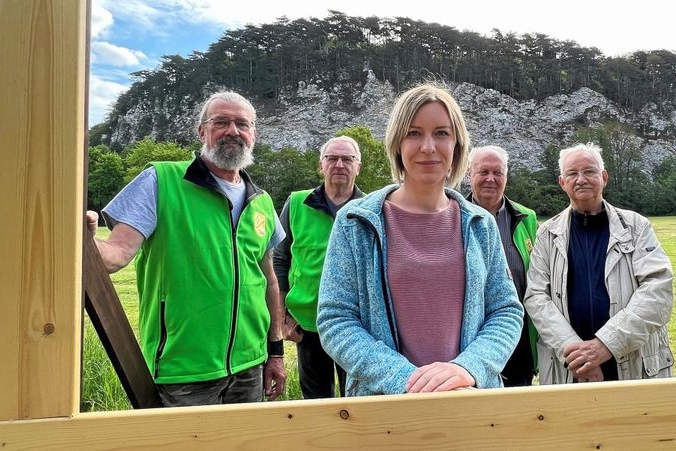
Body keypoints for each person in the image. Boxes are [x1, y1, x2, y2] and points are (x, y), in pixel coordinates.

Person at [317, 84, 522, 396]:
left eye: (441, 133)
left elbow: (506, 311)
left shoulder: (482, 225)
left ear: (457, 145)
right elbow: (336, 320)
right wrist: (408, 382)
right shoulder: (354, 221)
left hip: (469, 404)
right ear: (397, 143)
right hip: (384, 410)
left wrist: (467, 368)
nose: (428, 146)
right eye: (414, 133)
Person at [86, 91, 287, 406]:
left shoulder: (261, 202)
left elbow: (269, 281)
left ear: (253, 135)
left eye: (242, 124)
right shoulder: (161, 180)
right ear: (201, 131)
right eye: (221, 122)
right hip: (185, 370)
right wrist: (82, 243)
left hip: (251, 364)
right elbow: (116, 255)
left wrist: (275, 353)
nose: (233, 131)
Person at [524, 142, 674, 385]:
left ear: (604, 177)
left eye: (590, 171)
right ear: (562, 182)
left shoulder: (636, 227)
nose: (581, 179)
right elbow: (536, 297)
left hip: (632, 363)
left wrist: (606, 345)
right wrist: (576, 354)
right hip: (571, 370)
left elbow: (659, 289)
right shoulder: (547, 234)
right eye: (572, 173)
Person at [273, 135, 365, 399]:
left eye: (347, 159)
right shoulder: (296, 204)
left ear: (357, 166)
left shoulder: (371, 208)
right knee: (316, 402)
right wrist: (282, 319)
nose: (339, 164)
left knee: (358, 399)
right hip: (308, 324)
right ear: (321, 165)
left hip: (356, 326)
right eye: (332, 158)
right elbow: (280, 261)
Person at [465, 145, 539, 387]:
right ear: (469, 174)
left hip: (519, 342)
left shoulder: (526, 218)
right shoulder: (453, 216)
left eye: (498, 173)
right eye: (483, 171)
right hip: (470, 345)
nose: (490, 179)